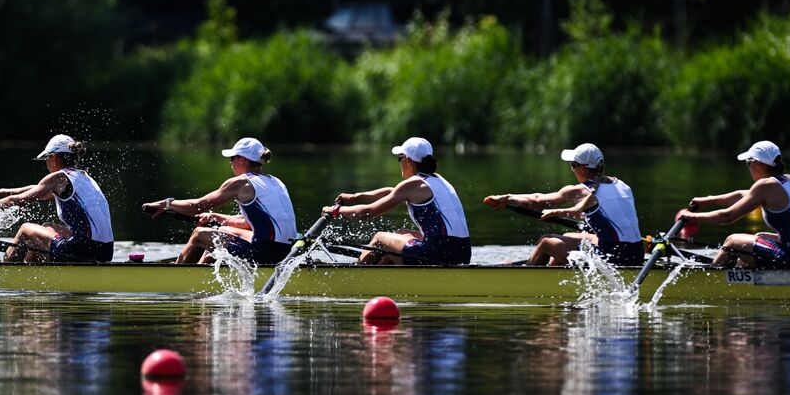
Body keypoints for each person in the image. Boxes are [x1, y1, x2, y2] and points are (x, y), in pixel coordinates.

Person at [676, 140, 790, 268]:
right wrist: (708, 200)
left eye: (748, 163)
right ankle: (737, 278)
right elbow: (743, 196)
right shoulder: (788, 181)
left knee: (733, 241)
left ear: (759, 164)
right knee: (758, 238)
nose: (748, 167)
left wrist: (692, 216)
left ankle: (709, 284)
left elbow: (727, 217)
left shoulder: (766, 186)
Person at [141, 137, 296, 265]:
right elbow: (252, 222)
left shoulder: (241, 182)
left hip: (264, 253)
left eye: (232, 158)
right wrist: (216, 217)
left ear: (242, 160)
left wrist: (166, 203)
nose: (230, 163)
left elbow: (196, 206)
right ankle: (203, 269)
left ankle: (178, 275)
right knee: (223, 231)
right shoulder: (276, 182)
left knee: (199, 234)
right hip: (287, 251)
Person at [484, 143, 642, 266]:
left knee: (546, 241)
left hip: (613, 258)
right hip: (636, 253)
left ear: (582, 168)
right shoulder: (622, 186)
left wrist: (506, 198)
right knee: (567, 237)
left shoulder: (582, 191)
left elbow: (537, 201)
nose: (572, 169)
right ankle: (554, 274)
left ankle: (529, 279)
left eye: (573, 165)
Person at [325, 136, 470, 265]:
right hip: (462, 253)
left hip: (439, 255)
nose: (399, 162)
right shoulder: (437, 180)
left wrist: (335, 211)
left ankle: (356, 276)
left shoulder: (413, 185)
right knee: (401, 234)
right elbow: (393, 192)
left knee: (380, 238)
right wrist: (357, 196)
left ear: (408, 161)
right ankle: (384, 270)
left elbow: (367, 213)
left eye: (400, 158)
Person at [0, 134, 114, 263]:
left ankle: (7, 272)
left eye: (47, 157)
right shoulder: (83, 177)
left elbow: (16, 201)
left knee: (25, 230)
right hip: (105, 252)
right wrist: (1, 192)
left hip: (83, 251)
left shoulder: (58, 178)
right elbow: (36, 189)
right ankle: (31, 268)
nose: (46, 162)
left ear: (54, 157)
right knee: (48, 227)